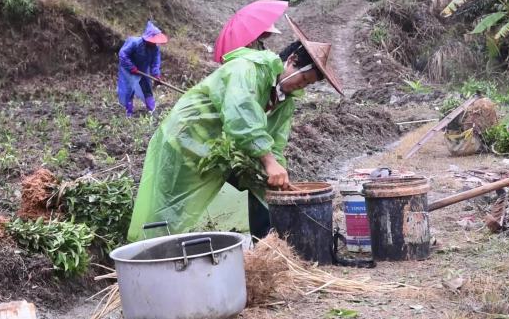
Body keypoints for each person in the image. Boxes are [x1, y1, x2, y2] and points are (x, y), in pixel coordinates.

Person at [126, 16, 343, 242]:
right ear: (292, 59)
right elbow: (241, 116)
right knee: (170, 206)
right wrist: (269, 162)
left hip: (215, 146)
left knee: (263, 183)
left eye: (307, 85)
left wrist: (278, 172)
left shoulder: (284, 100)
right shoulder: (249, 69)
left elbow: (275, 141)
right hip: (185, 137)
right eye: (303, 79)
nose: (301, 86)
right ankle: (151, 251)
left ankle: (268, 248)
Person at [117, 21, 168, 117]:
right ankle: (129, 112)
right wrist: (131, 67)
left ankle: (152, 109)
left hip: (143, 69)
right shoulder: (134, 43)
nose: (154, 43)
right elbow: (123, 54)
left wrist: (156, 74)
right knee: (129, 89)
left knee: (147, 87)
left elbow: (155, 63)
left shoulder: (155, 49)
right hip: (129, 68)